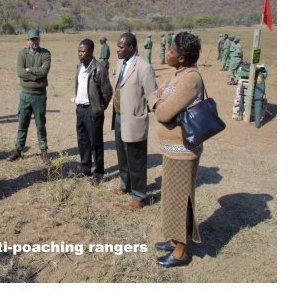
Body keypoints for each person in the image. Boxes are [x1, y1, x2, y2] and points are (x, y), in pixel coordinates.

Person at [148, 31, 203, 267]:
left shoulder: (191, 78)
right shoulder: (177, 74)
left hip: (183, 150)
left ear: (181, 58)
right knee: (171, 197)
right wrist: (158, 101)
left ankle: (181, 251)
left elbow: (163, 112)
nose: (167, 54)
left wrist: (158, 104)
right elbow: (155, 95)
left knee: (182, 200)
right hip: (171, 148)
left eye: (171, 51)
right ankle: (174, 239)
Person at [111, 33, 157, 209]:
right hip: (118, 117)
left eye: (121, 47)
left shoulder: (144, 67)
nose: (118, 49)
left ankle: (139, 195)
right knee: (122, 156)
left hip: (134, 120)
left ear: (131, 48)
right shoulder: (120, 63)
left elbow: (152, 95)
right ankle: (125, 186)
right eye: (118, 46)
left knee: (136, 159)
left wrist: (157, 111)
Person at [7, 29, 51, 165]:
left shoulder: (46, 54)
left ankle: (43, 151)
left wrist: (29, 70)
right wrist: (35, 74)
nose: (34, 42)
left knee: (40, 125)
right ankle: (18, 150)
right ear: (28, 41)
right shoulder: (22, 54)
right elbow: (20, 73)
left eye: (36, 39)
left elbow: (44, 71)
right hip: (25, 94)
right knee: (22, 123)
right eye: (32, 39)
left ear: (39, 39)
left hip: (39, 95)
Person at [74, 39, 113, 182]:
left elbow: (107, 93)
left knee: (96, 143)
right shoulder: (79, 67)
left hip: (93, 111)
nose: (80, 53)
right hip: (80, 109)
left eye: (83, 51)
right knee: (83, 140)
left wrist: (99, 108)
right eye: (79, 50)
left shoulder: (99, 69)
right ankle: (85, 168)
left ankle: (98, 173)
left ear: (91, 51)